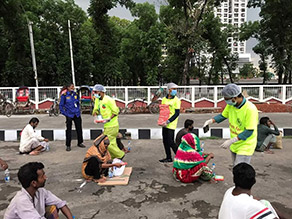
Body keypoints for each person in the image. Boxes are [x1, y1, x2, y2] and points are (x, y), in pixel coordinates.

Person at [203, 83, 258, 166]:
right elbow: (223, 116)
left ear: (235, 98)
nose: (226, 101)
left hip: (245, 145)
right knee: (235, 169)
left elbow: (249, 131)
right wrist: (210, 121)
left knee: (241, 171)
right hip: (235, 144)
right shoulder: (231, 105)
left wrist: (231, 140)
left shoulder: (250, 109)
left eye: (227, 99)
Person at [4, 162, 73, 219]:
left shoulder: (41, 191)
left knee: (53, 208)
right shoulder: (22, 200)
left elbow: (61, 204)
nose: (45, 178)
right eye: (42, 176)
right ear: (34, 183)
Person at [219, 163, 287, 219]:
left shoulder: (229, 191)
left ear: (234, 179)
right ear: (254, 181)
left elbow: (254, 199)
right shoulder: (252, 206)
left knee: (265, 202)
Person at [92, 84, 124, 160]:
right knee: (112, 142)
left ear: (101, 92)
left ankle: (120, 155)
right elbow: (96, 109)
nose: (95, 94)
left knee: (107, 142)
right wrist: (95, 115)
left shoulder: (109, 100)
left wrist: (109, 118)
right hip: (106, 125)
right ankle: (114, 158)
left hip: (112, 125)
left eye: (96, 92)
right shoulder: (97, 100)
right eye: (94, 92)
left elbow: (116, 111)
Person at [59, 83, 85, 151]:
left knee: (79, 129)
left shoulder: (75, 94)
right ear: (68, 87)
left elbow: (78, 103)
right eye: (71, 86)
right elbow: (61, 106)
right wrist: (65, 113)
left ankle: (80, 142)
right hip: (69, 114)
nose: (73, 88)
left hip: (76, 114)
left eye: (73, 86)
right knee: (69, 130)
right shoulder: (64, 95)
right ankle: (68, 145)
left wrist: (78, 110)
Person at [159, 82, 181, 163]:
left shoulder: (176, 100)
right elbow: (163, 111)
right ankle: (168, 157)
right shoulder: (164, 100)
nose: (175, 91)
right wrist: (161, 120)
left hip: (171, 123)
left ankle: (180, 157)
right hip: (164, 123)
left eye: (176, 89)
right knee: (165, 141)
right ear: (169, 90)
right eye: (173, 89)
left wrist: (168, 121)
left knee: (170, 141)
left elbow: (177, 113)